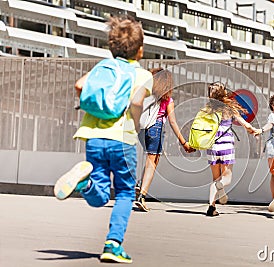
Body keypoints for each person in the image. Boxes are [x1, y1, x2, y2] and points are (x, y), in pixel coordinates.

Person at [53, 15, 153, 263]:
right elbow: (137, 102)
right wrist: (136, 121)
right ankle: (113, 244)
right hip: (122, 140)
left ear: (112, 47)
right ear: (140, 51)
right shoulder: (142, 75)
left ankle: (84, 183)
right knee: (125, 193)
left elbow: (79, 85)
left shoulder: (102, 67)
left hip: (93, 138)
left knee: (99, 195)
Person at [135, 67, 195, 212]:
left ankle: (140, 185)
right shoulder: (167, 100)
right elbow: (173, 122)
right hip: (156, 128)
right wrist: (183, 142)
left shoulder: (146, 95)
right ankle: (142, 195)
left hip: (141, 129)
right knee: (152, 161)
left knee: (152, 160)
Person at [204, 82, 258, 216]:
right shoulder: (229, 109)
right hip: (226, 147)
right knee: (226, 179)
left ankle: (212, 206)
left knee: (216, 178)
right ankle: (217, 193)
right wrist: (255, 131)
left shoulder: (207, 109)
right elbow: (246, 125)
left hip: (212, 147)